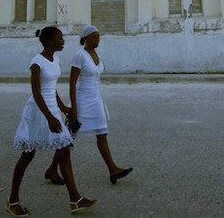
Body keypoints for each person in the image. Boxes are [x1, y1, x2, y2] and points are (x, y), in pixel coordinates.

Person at [7, 26, 95, 217]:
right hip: (37, 112)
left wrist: (63, 109)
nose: (63, 41)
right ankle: (12, 200)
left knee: (64, 151)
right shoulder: (37, 63)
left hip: (52, 111)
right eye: (59, 38)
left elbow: (51, 90)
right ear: (49, 41)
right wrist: (49, 118)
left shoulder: (55, 59)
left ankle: (75, 199)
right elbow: (37, 93)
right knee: (27, 155)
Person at [48, 25, 132, 185]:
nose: (97, 39)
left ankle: (113, 169)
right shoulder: (80, 55)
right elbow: (72, 84)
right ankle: (52, 169)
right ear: (85, 39)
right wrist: (74, 108)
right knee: (68, 139)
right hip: (82, 100)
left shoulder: (97, 54)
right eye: (93, 37)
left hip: (96, 100)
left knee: (102, 133)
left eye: (98, 36)